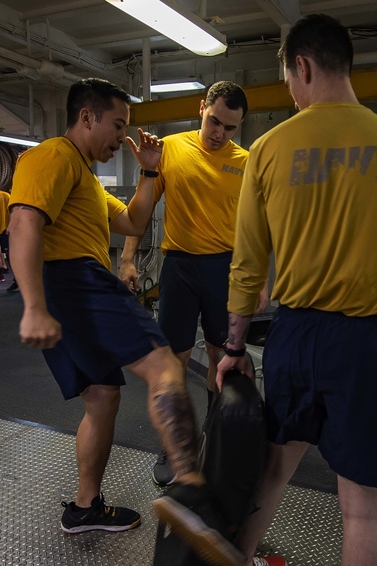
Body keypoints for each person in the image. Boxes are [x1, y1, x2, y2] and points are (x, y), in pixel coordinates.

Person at [215, 14, 377, 566]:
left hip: (294, 332)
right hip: (370, 337)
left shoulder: (271, 151)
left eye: (289, 80)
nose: (292, 94)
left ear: (303, 65)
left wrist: (230, 347)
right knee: (361, 510)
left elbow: (248, 264)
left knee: (276, 463)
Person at [8, 78, 244, 566]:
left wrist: (151, 174)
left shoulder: (86, 179)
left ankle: (84, 508)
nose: (122, 137)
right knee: (165, 365)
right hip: (74, 279)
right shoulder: (51, 155)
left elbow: (135, 222)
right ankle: (188, 492)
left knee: (102, 396)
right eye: (118, 126)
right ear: (87, 116)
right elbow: (24, 222)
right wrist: (32, 305)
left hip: (71, 285)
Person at [119, 80, 269, 487]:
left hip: (226, 269)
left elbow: (258, 226)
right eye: (214, 120)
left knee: (224, 358)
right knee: (176, 361)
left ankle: (216, 438)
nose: (219, 133)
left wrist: (260, 279)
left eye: (230, 127)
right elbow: (144, 205)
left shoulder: (247, 161)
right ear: (202, 107)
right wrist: (128, 257)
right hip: (180, 268)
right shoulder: (170, 148)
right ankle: (176, 444)